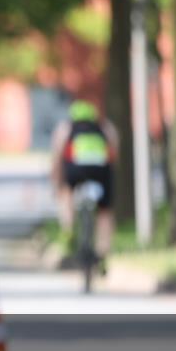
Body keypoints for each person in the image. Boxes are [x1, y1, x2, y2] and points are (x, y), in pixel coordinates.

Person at [50, 99, 118, 270]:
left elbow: (57, 158)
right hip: (101, 171)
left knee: (66, 194)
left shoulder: (66, 128)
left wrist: (57, 183)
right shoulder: (105, 127)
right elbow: (114, 153)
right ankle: (103, 253)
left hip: (75, 171)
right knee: (105, 212)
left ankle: (69, 231)